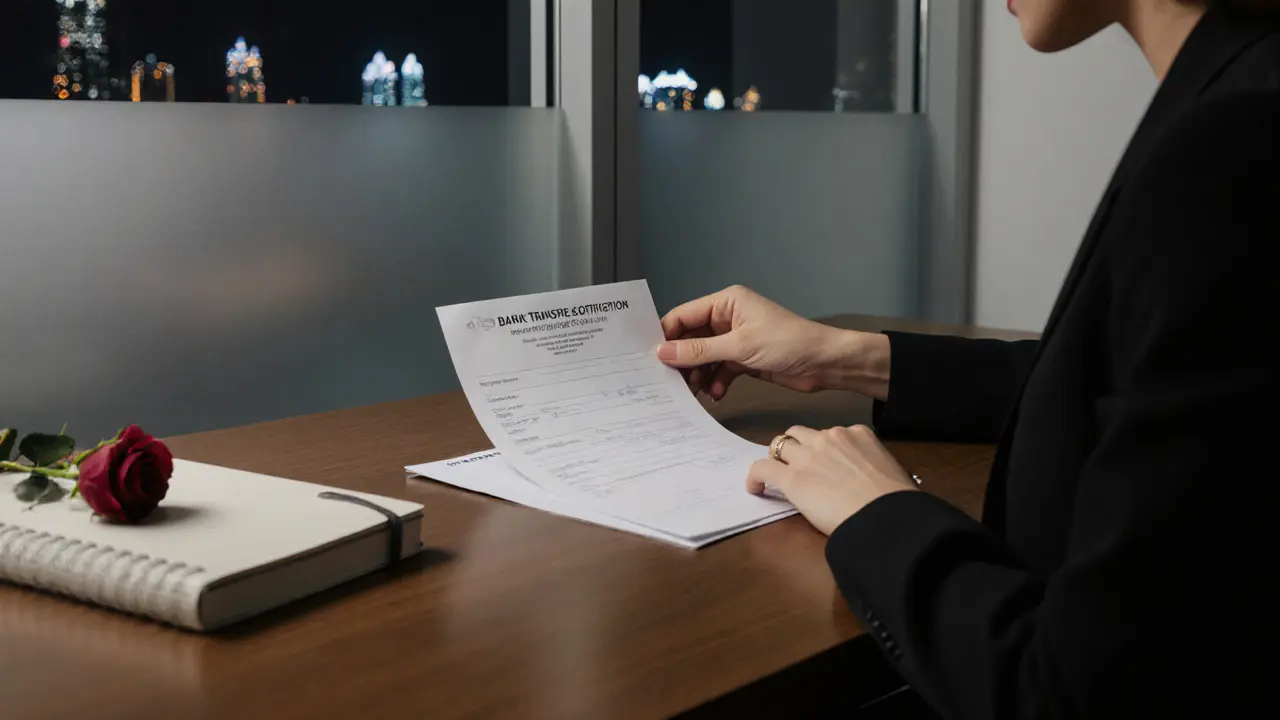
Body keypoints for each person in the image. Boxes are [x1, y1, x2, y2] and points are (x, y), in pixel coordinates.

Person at [656, 1, 1277, 717]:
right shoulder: (1236, 86)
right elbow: (1119, 382)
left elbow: (1072, 691)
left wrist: (878, 510)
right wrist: (839, 355)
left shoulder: (1237, 147)